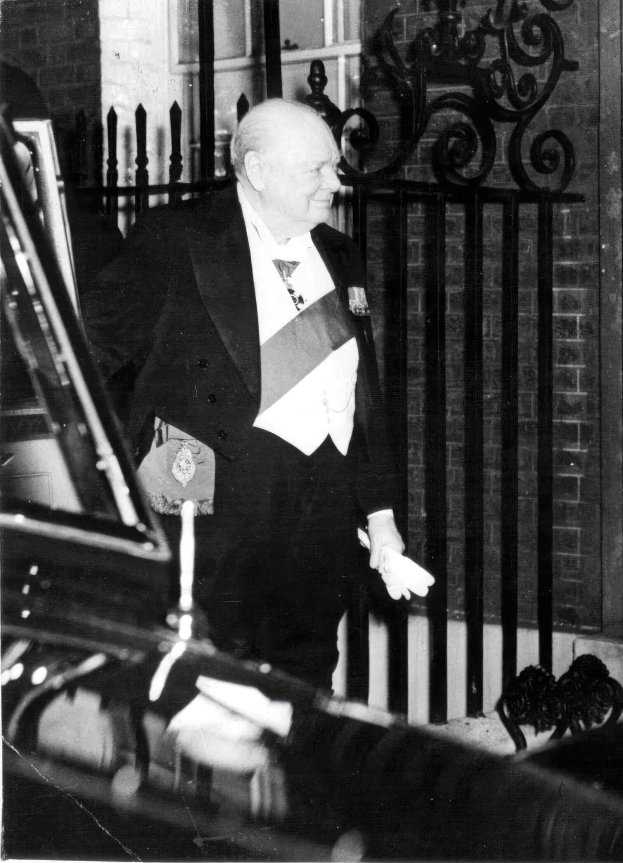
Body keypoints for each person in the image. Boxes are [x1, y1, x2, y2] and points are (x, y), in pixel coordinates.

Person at [87, 99, 409, 688]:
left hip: (317, 524)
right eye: (315, 169)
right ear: (257, 171)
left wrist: (381, 518)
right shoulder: (177, 237)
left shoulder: (340, 254)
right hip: (210, 520)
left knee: (304, 690)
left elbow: (363, 396)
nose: (334, 183)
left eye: (334, 167)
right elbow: (88, 354)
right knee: (203, 694)